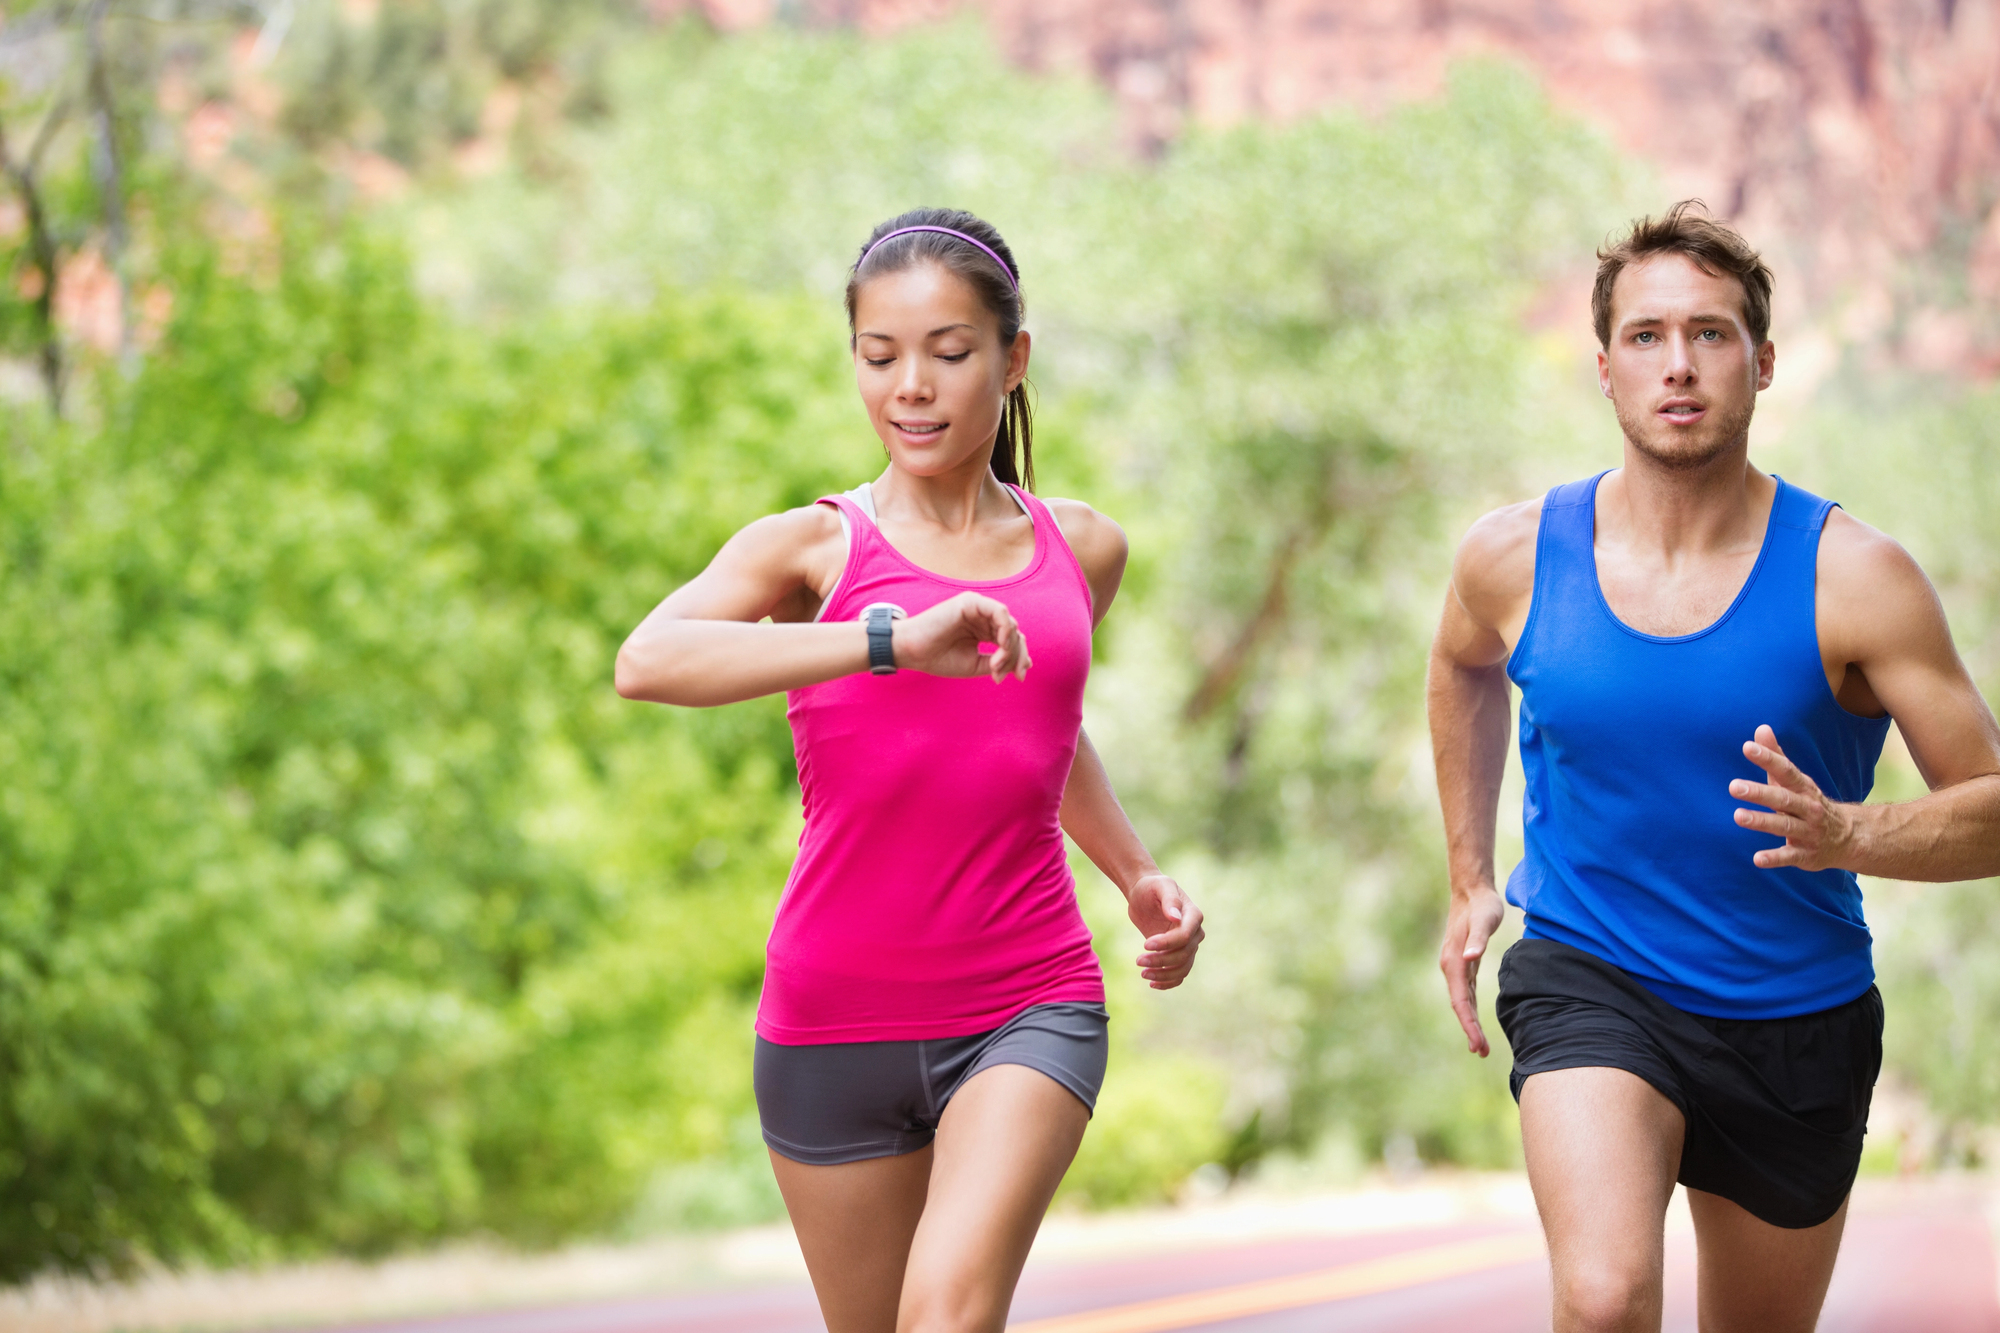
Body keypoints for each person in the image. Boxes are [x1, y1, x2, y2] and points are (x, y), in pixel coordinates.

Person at [614, 207, 1204, 1333]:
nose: (911, 388)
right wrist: (886, 637)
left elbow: (1038, 723)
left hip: (1024, 997)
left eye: (948, 351)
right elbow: (646, 661)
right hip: (830, 1018)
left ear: (1012, 358)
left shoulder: (1081, 547)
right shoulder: (810, 549)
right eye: (880, 357)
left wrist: (1133, 872)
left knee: (947, 1315)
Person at [1426, 200, 2000, 1332]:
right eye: (1644, 336)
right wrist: (1466, 872)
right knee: (1600, 1298)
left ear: (1762, 362)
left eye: (1709, 334)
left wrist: (1846, 833)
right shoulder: (1512, 555)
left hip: (1794, 1016)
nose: (1675, 365)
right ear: (1602, 367)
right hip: (1591, 974)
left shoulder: (1855, 577)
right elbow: (1459, 665)